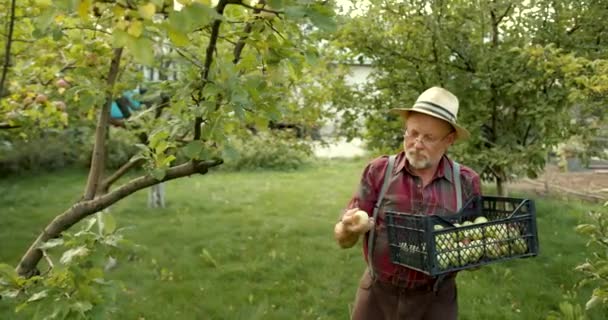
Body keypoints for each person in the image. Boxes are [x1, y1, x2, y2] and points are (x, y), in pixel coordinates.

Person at [334, 86, 482, 320]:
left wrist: (472, 249)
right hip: (377, 297)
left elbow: (476, 254)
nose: (417, 143)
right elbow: (343, 239)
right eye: (412, 133)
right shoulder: (379, 172)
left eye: (429, 137)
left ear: (449, 139)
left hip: (435, 301)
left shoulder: (465, 182)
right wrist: (349, 230)